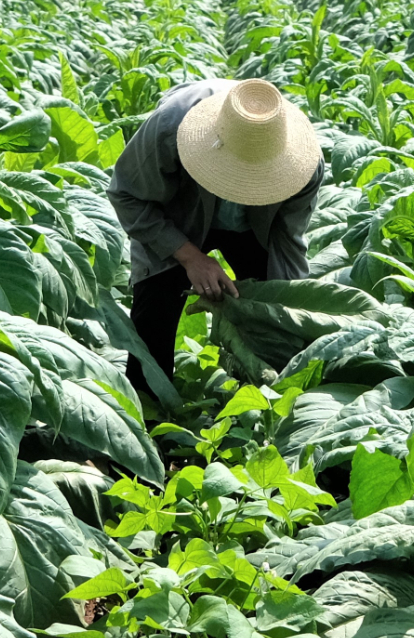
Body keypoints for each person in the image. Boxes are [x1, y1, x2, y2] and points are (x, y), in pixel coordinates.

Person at [107, 76, 326, 408]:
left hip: (252, 226)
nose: (242, 183)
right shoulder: (170, 127)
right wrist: (190, 257)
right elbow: (127, 196)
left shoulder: (304, 166)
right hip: (181, 214)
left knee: (273, 311)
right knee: (153, 320)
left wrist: (292, 315)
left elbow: (287, 241)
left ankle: (261, 404)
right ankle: (147, 425)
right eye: (236, 174)